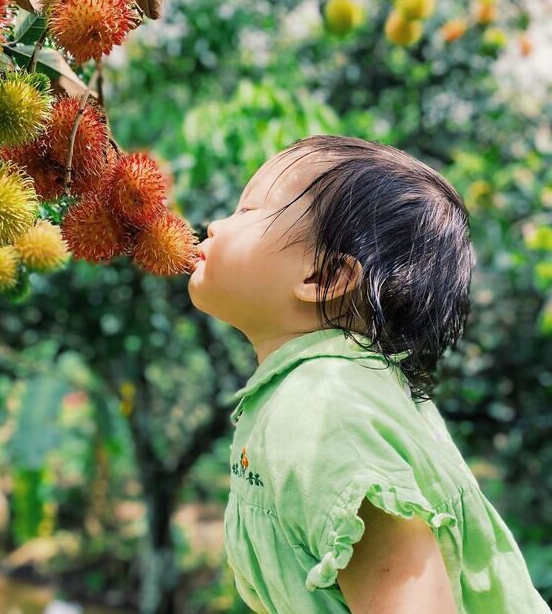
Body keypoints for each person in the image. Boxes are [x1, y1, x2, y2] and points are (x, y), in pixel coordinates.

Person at [187, 135, 551, 614]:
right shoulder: (328, 390)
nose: (214, 224)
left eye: (249, 210)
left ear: (323, 279)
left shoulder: (324, 407)